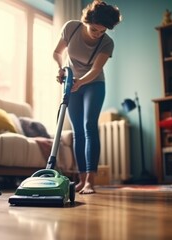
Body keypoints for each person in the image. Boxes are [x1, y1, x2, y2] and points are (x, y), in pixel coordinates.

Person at [53, 0, 122, 194]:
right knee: (77, 132)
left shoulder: (107, 43)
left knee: (89, 126)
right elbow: (57, 52)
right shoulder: (71, 28)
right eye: (94, 29)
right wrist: (61, 69)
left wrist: (80, 81)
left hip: (94, 84)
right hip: (71, 82)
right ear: (86, 20)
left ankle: (91, 181)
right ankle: (81, 180)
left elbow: (96, 69)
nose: (97, 34)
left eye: (102, 31)